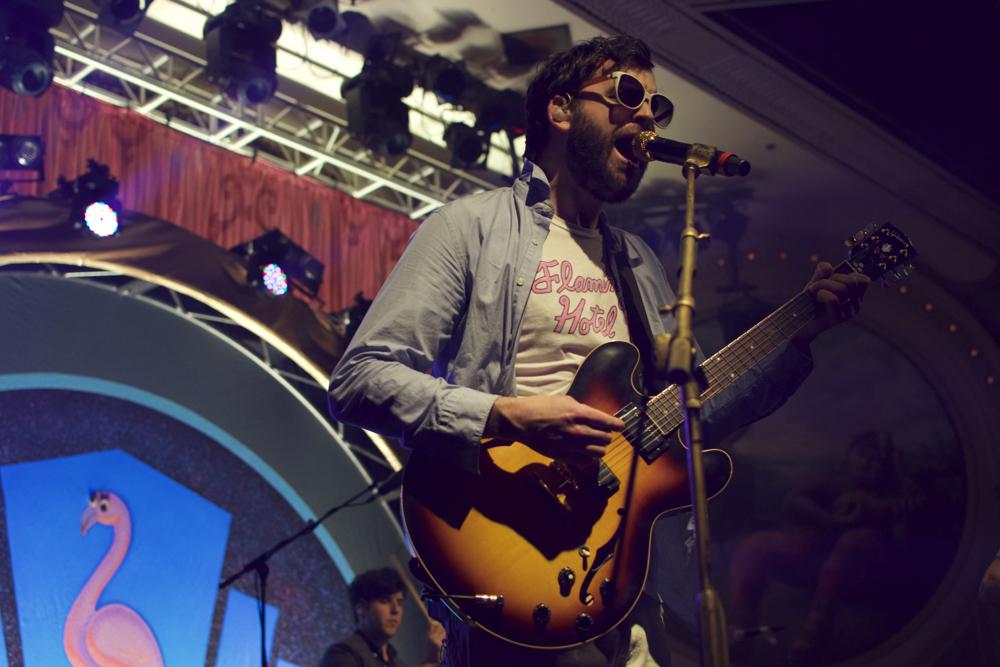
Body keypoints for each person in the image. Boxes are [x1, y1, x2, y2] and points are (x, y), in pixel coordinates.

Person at [329, 34, 868, 667]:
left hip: (623, 579)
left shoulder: (637, 262)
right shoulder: (468, 228)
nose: (646, 117)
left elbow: (691, 416)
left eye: (657, 107)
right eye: (628, 95)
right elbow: (359, 381)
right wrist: (506, 414)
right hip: (511, 547)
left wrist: (799, 334)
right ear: (560, 111)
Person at [318, 567, 445, 667]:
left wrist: (433, 659)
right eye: (385, 601)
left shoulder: (396, 662)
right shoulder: (343, 654)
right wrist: (427, 661)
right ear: (361, 610)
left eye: (399, 603)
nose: (396, 610)